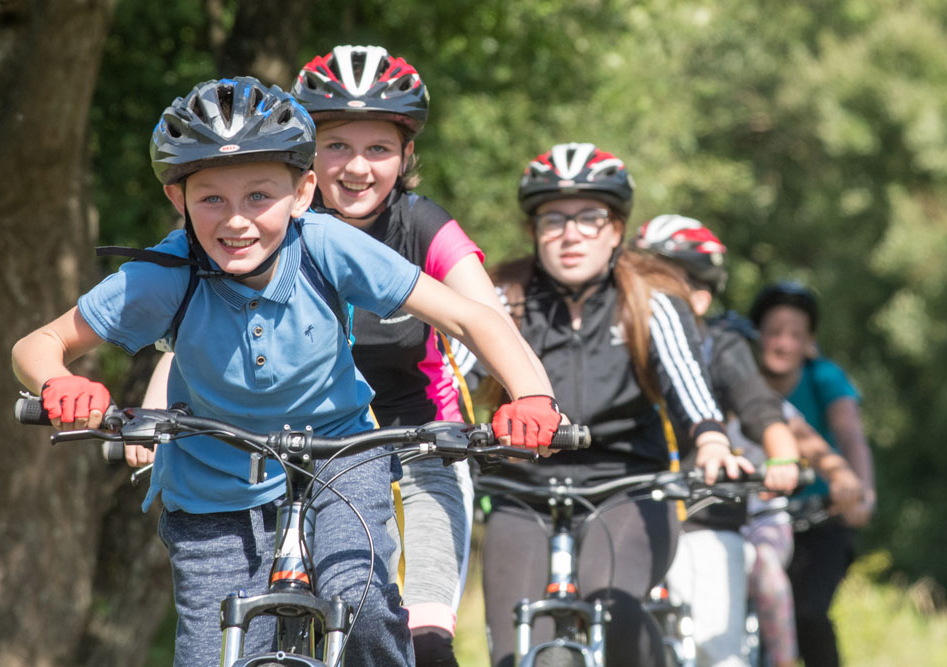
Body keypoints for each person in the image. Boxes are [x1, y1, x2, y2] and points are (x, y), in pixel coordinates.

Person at [10, 77, 562, 667]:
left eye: (259, 197)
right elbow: (37, 344)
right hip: (211, 483)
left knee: (366, 607)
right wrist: (58, 382)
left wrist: (532, 396)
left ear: (302, 193)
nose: (236, 222)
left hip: (342, 458)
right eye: (211, 199)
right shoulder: (166, 273)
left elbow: (472, 318)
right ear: (178, 199)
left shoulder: (326, 245)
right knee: (212, 651)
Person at [290, 45, 552, 666]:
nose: (357, 167)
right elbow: (200, 323)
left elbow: (487, 319)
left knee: (424, 640)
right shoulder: (275, 226)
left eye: (378, 149)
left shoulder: (422, 224)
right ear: (306, 155)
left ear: (407, 156)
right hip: (305, 451)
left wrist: (530, 397)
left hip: (422, 449)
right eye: (336, 146)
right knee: (286, 619)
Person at [472, 143, 751, 667]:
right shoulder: (499, 298)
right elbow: (455, 386)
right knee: (512, 650)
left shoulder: (651, 301)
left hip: (627, 490)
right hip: (519, 490)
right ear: (534, 231)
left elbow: (688, 384)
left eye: (589, 218)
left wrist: (711, 439)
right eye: (553, 218)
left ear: (617, 230)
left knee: (613, 609)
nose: (571, 233)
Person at [632, 215, 800, 667]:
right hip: (621, 507)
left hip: (704, 515)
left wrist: (783, 456)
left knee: (715, 648)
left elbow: (761, 409)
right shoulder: (612, 340)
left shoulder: (722, 346)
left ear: (701, 295)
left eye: (664, 278)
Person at [748, 281, 876, 667]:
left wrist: (862, 492)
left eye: (795, 335)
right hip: (750, 517)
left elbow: (850, 436)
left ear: (809, 342)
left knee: (807, 612)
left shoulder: (824, 378)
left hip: (818, 516)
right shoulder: (737, 381)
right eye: (773, 332)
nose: (783, 343)